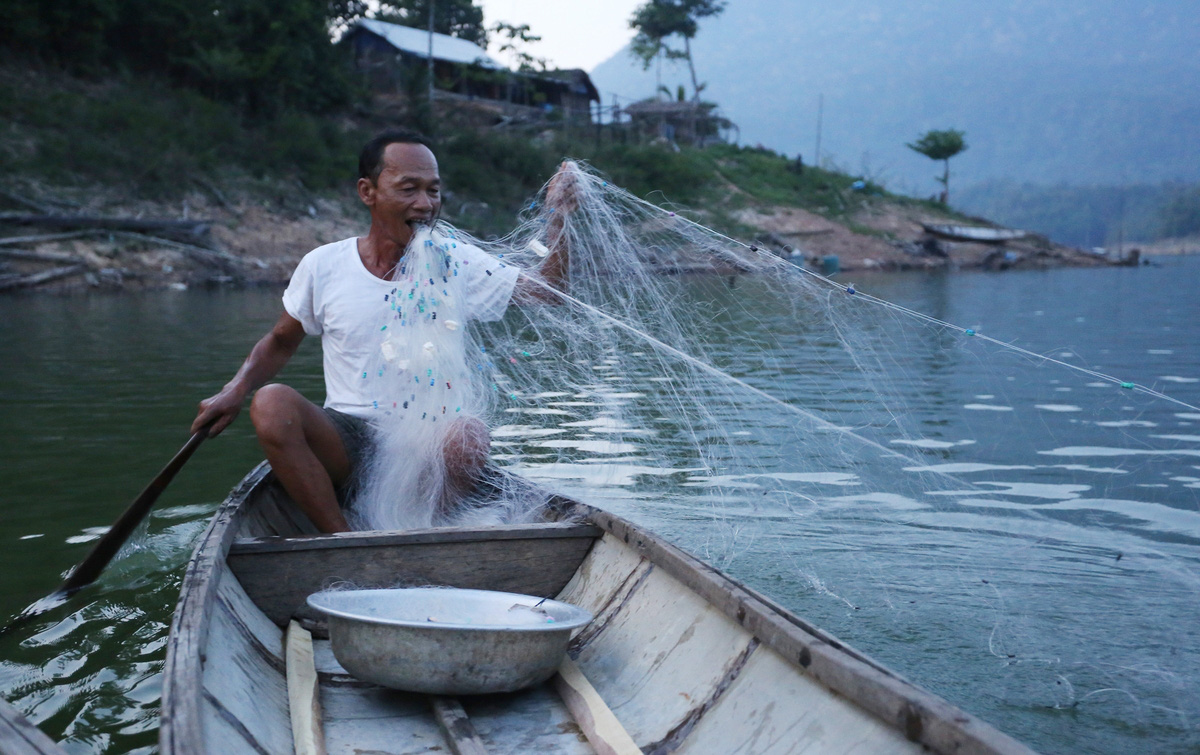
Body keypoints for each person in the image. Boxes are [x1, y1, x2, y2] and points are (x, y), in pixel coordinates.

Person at [191, 130, 576, 533]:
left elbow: (547, 292)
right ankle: (341, 539)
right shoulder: (324, 265)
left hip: (427, 446)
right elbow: (280, 341)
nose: (425, 204)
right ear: (367, 191)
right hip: (346, 440)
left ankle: (429, 531)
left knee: (468, 433)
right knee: (270, 404)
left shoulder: (456, 261)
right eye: (408, 189)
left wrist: (560, 216)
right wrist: (234, 390)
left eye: (433, 190)